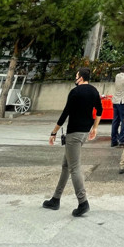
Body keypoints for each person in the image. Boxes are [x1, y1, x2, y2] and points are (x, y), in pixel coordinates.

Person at [43, 67, 102, 217]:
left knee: (74, 168)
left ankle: (83, 202)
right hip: (84, 133)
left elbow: (65, 113)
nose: (75, 78)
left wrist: (54, 132)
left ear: (80, 78)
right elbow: (99, 111)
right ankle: (55, 199)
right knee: (66, 165)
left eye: (76, 76)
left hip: (74, 133)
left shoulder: (75, 92)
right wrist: (94, 128)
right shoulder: (94, 91)